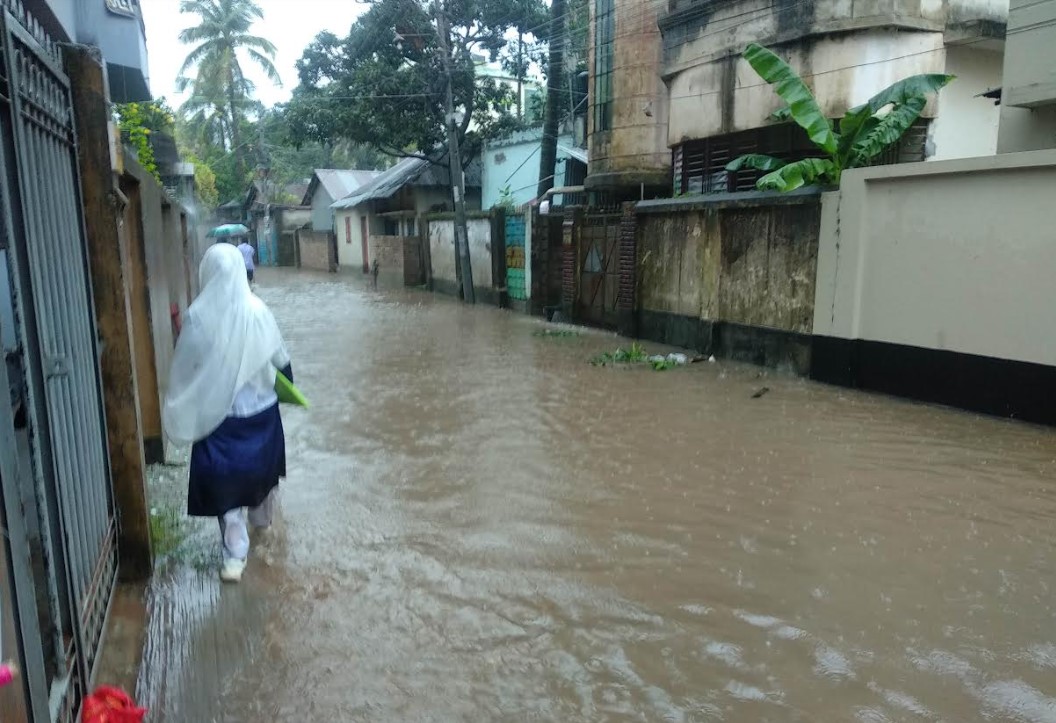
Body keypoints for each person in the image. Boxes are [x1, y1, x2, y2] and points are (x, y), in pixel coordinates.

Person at [163, 243, 292, 582]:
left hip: (220, 421)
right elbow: (283, 364)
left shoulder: (197, 317)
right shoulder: (259, 310)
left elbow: (187, 372)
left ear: (205, 272)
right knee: (262, 480)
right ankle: (264, 532)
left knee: (226, 490)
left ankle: (235, 556)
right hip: (263, 417)